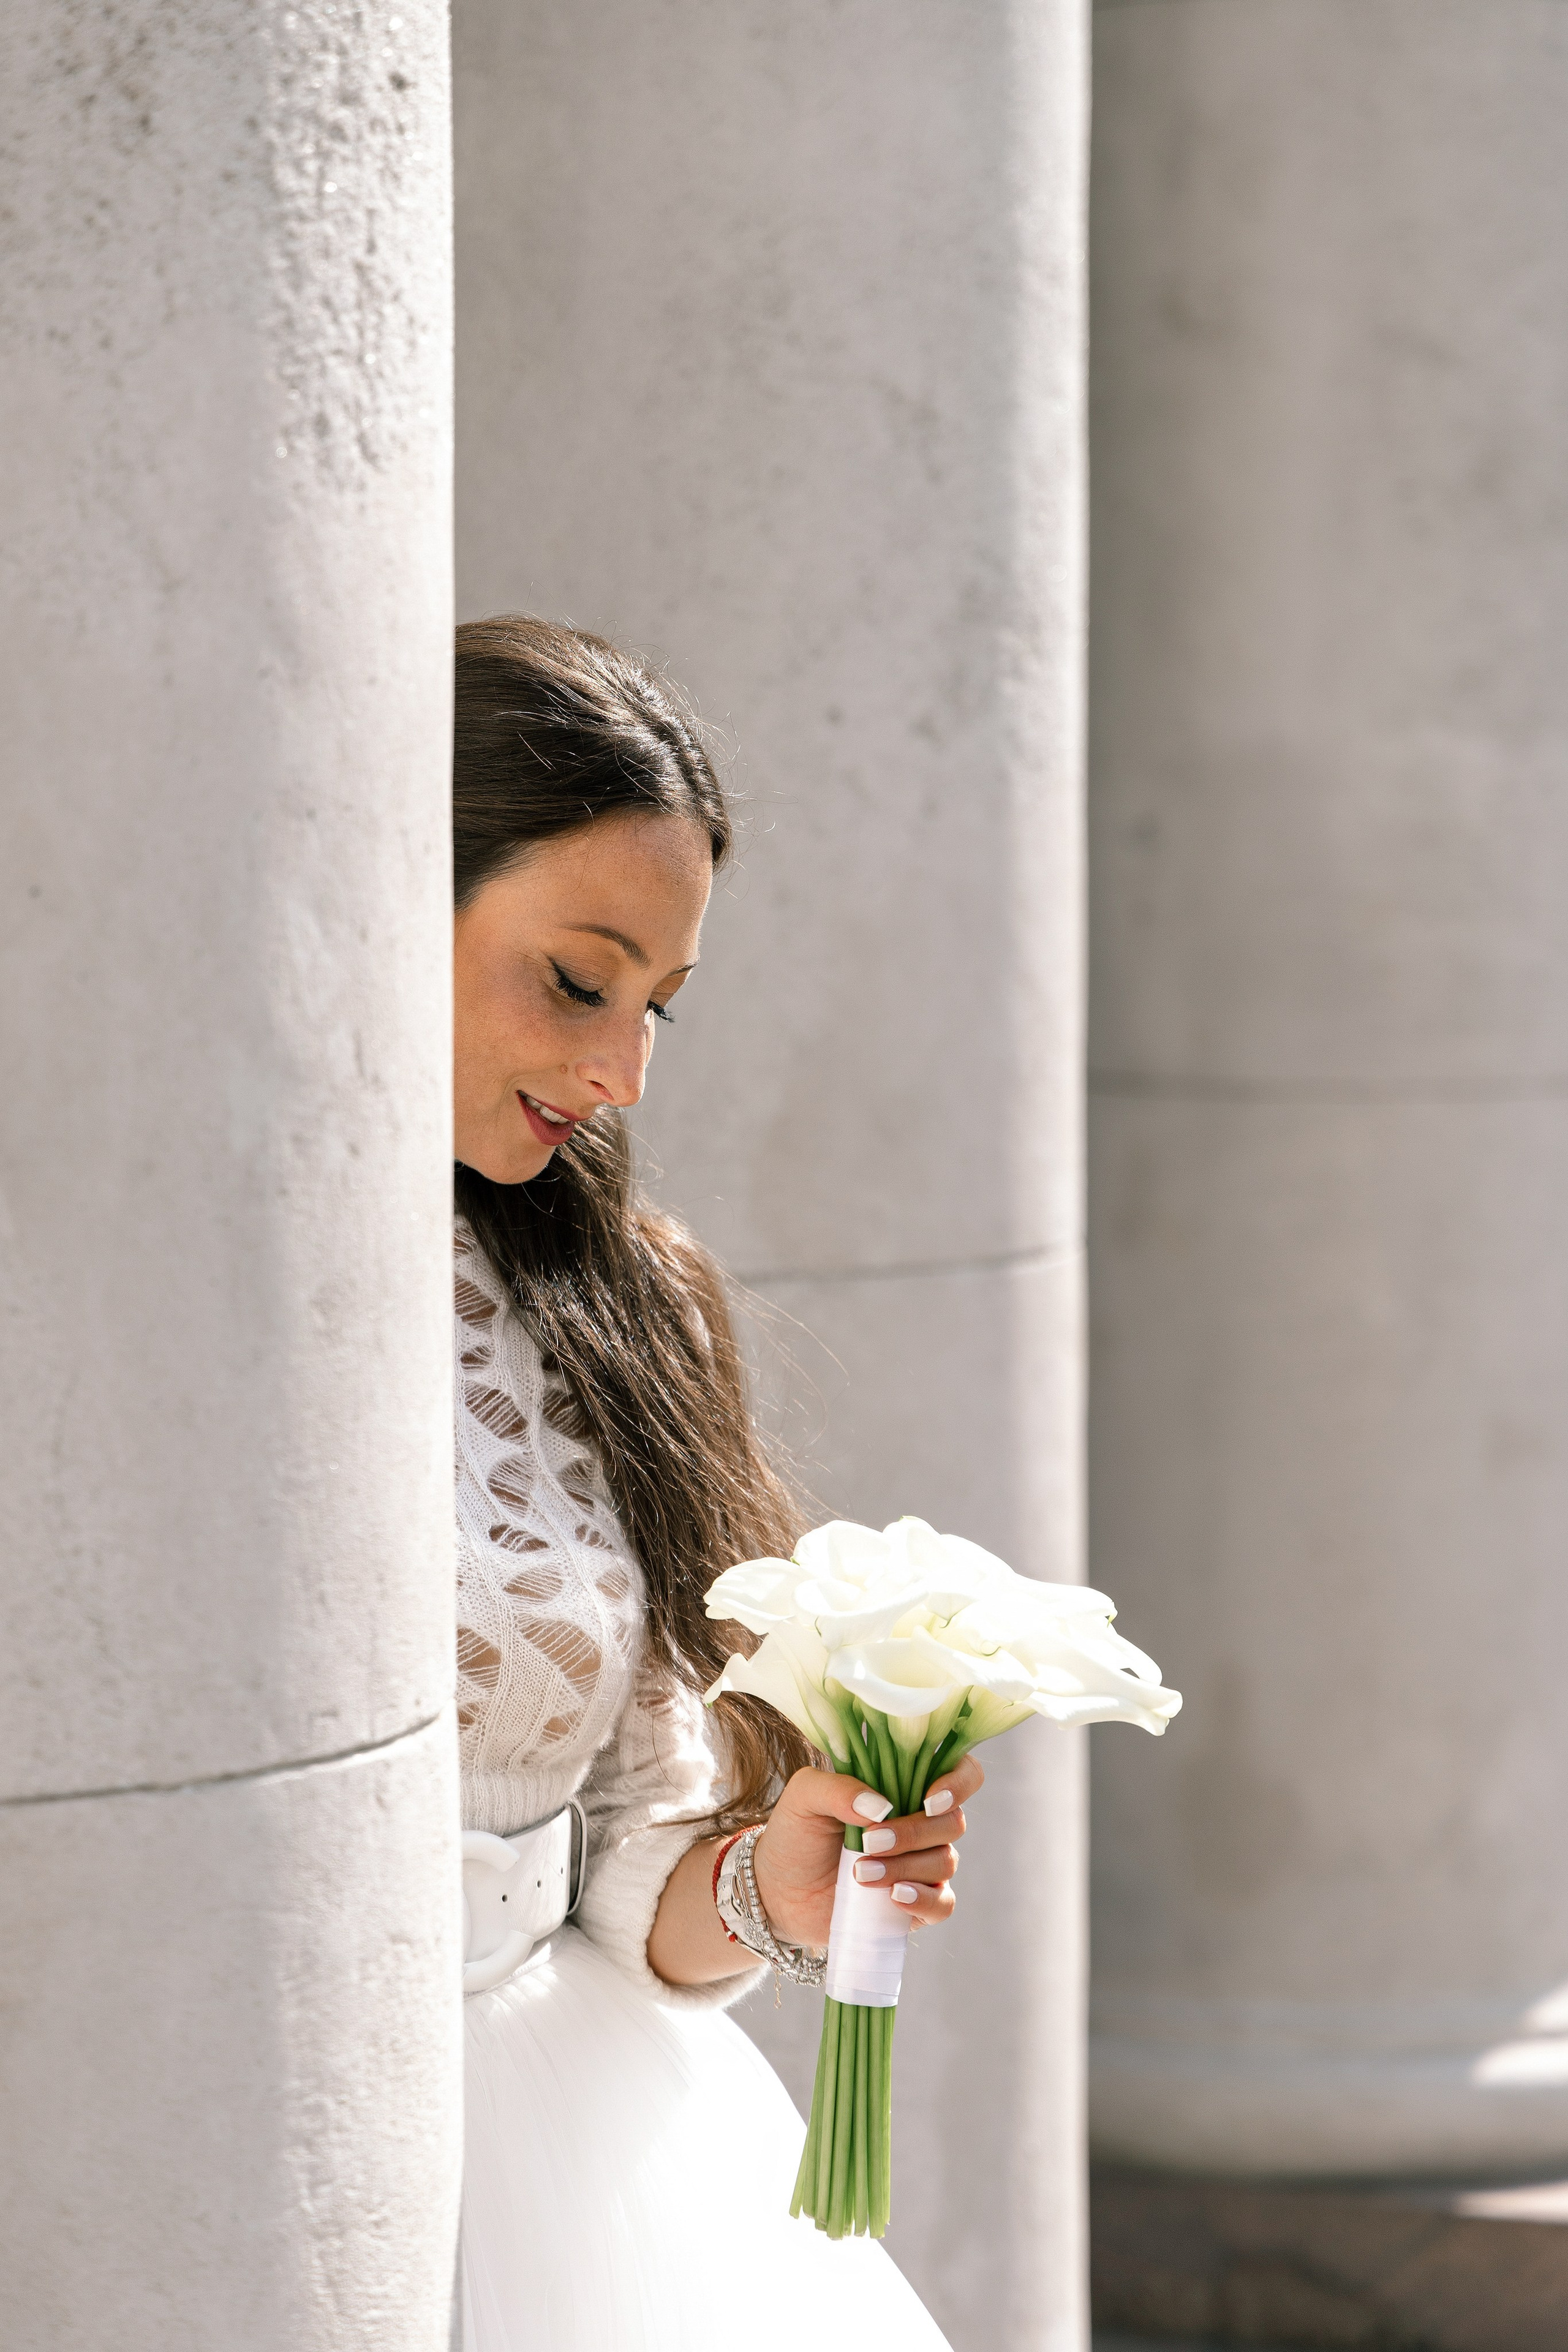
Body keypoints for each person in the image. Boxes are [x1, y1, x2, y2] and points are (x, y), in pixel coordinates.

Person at [451, 616, 982, 2350]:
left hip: (545, 2141)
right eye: (578, 979)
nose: (619, 1076)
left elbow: (630, 1869)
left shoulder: (631, 1298)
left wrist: (778, 1881)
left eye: (659, 1005)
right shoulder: (130, 1290)